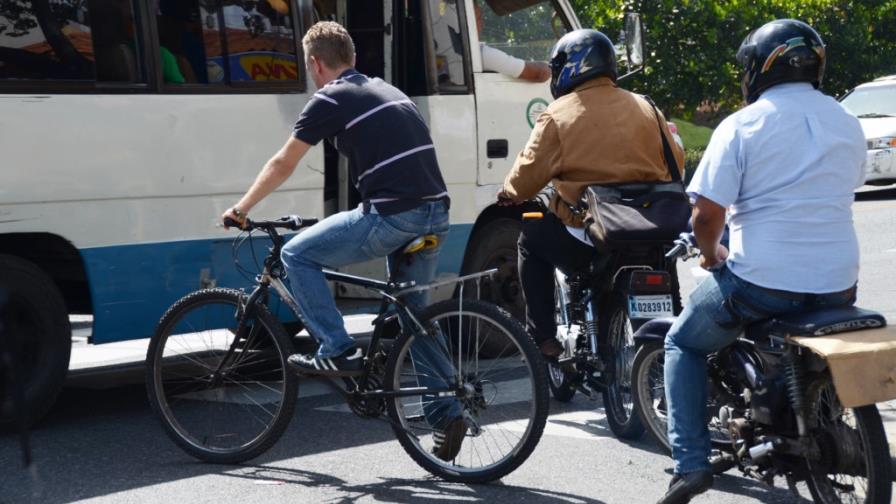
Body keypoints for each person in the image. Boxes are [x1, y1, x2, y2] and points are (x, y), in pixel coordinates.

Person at [220, 21, 466, 461]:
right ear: (351, 56)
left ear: (316, 63)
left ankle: (336, 347)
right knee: (417, 316)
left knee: (297, 253)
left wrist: (242, 209)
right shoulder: (387, 91)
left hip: (395, 215)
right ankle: (447, 414)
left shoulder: (331, 97)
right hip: (436, 212)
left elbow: (284, 162)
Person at [658, 19, 867, 503]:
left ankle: (689, 465)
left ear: (757, 68)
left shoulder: (743, 124)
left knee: (682, 344)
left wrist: (712, 257)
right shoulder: (846, 120)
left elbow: (706, 215)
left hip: (764, 281)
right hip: (840, 280)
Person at [496, 29, 684, 357]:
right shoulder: (647, 107)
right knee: (665, 279)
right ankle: (678, 342)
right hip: (652, 229)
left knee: (531, 238)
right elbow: (677, 164)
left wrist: (508, 192)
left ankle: (544, 340)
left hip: (593, 236)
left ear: (571, 68)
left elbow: (525, 180)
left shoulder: (557, 115)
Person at [474, 1, 550, 82]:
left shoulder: (465, 52)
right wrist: (552, 69)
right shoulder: (481, 55)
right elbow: (540, 73)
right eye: (478, 18)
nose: (482, 24)